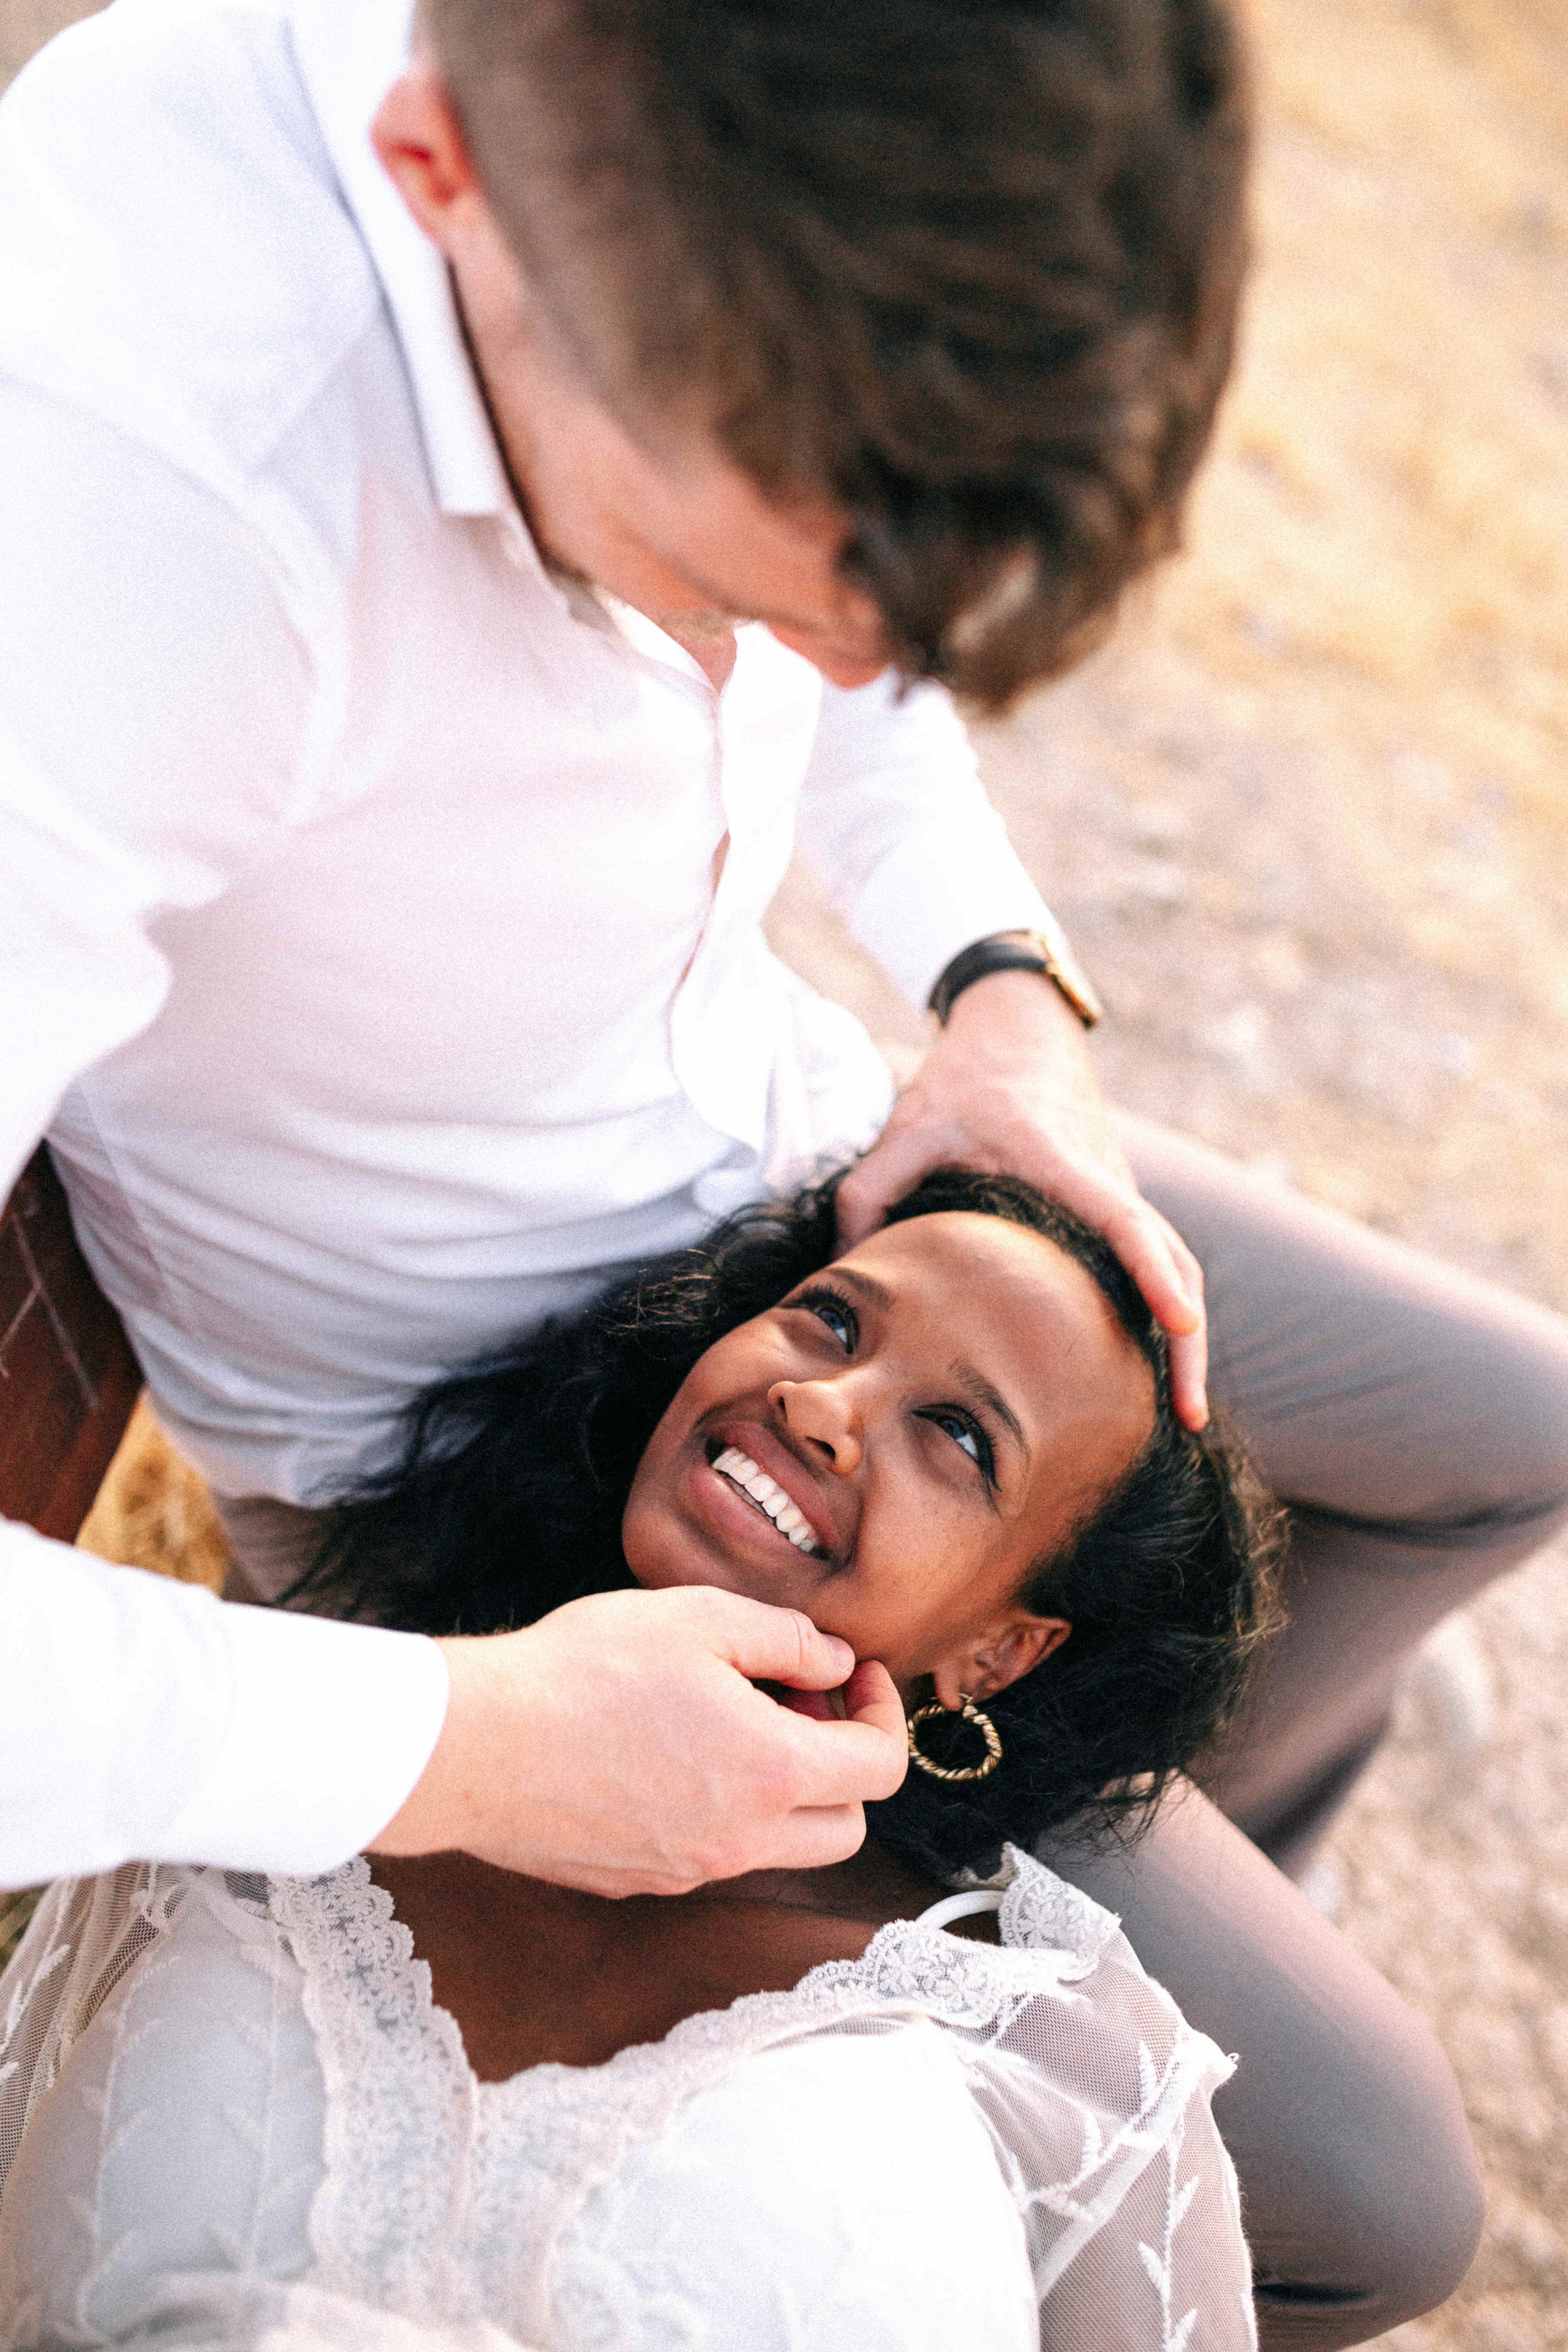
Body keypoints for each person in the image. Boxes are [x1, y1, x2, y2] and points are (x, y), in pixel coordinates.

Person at [3, 0, 1568, 2339]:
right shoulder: (131, 517)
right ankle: (999, 1874)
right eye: (751, 604)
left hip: (808, 1181)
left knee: (1510, 1433)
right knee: (1370, 2196)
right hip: (503, 1446)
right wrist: (480, 1737)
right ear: (446, 182)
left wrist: (1000, 990)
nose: (819, 675)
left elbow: (865, 609)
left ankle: (1006, 1822)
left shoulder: (712, 223)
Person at [0, 1174, 1274, 2349]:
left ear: (997, 1650)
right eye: (829, 1320)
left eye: (957, 1434)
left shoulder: (1076, 2074)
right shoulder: (282, 1755)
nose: (819, 1404)